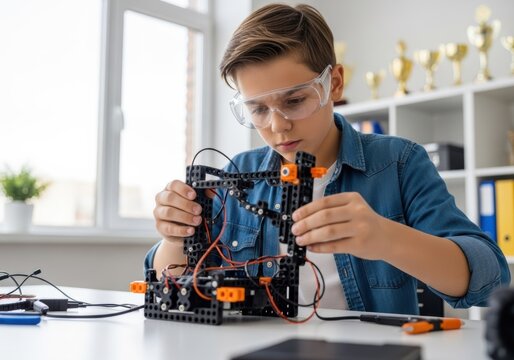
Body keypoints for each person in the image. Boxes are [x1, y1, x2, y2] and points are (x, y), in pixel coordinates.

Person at [145, 3, 510, 314]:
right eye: (257, 109)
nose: (278, 126)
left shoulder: (399, 163)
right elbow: (171, 283)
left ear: (333, 83)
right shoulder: (240, 172)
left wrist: (386, 238)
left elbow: (489, 276)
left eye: (294, 101)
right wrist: (175, 235)